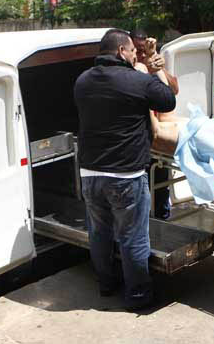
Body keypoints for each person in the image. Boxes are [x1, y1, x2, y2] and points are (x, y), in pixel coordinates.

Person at [74, 29, 176, 311]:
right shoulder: (137, 81)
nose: (134, 55)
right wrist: (154, 71)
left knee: (100, 233)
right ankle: (139, 296)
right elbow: (168, 100)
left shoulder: (82, 81)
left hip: (90, 174)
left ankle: (106, 284)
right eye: (132, 51)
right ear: (121, 52)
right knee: (132, 236)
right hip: (126, 177)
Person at [130, 29, 179, 220]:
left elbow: (173, 89)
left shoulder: (152, 66)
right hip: (139, 143)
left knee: (160, 186)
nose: (141, 56)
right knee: (141, 195)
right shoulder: (129, 72)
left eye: (145, 51)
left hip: (157, 144)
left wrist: (158, 67)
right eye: (138, 51)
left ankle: (162, 219)